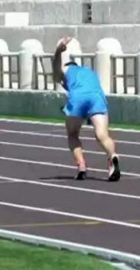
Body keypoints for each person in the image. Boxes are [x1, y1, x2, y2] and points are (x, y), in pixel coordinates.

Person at [52, 37, 120, 181]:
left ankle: (81, 165)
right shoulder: (89, 71)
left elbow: (56, 68)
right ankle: (112, 156)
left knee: (72, 134)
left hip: (78, 98)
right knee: (102, 135)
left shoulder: (66, 69)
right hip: (97, 97)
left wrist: (58, 51)